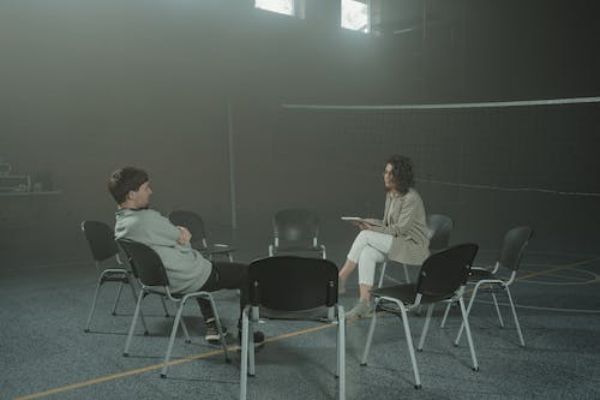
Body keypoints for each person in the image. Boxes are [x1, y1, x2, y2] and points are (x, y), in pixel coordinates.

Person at [108, 166, 264, 346]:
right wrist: (182, 237)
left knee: (196, 263)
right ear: (131, 194)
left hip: (157, 281)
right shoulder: (147, 220)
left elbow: (173, 239)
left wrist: (178, 241)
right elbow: (183, 237)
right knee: (249, 273)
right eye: (146, 188)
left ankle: (212, 325)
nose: (150, 191)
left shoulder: (121, 224)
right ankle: (246, 336)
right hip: (184, 279)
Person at [338, 155, 430, 319]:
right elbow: (387, 224)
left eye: (390, 173)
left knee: (365, 235)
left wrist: (371, 229)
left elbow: (399, 229)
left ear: (400, 176)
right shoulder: (391, 195)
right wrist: (368, 222)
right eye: (385, 172)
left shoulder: (411, 198)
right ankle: (364, 303)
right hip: (397, 243)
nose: (385, 176)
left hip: (412, 246)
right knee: (366, 252)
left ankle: (341, 278)